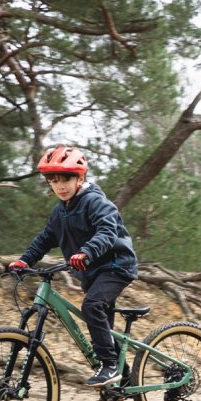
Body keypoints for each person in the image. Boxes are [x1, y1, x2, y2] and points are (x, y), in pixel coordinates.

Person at [8, 145, 138, 388]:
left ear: (80, 177)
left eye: (66, 178)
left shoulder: (95, 202)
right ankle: (124, 377)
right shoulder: (60, 211)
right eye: (53, 181)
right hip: (91, 272)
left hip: (115, 266)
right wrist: (26, 260)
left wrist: (87, 251)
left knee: (92, 306)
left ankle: (109, 367)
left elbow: (107, 231)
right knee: (101, 324)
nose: (60, 186)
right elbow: (46, 238)